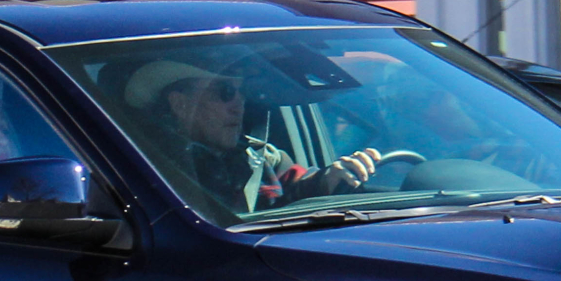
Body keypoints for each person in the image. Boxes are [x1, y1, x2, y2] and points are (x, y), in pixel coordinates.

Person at [127, 59, 382, 212]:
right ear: (180, 104)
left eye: (241, 92)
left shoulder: (261, 157)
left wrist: (329, 178)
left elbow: (297, 187)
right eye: (225, 92)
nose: (239, 104)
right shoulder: (147, 167)